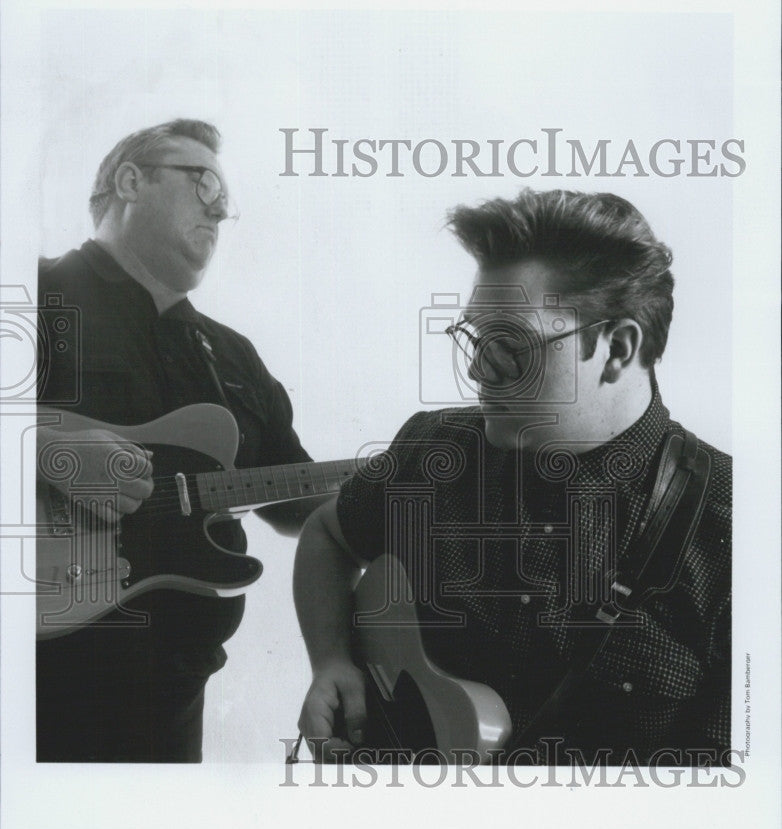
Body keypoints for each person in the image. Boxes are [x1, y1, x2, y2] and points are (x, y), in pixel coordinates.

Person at [294, 189, 731, 767]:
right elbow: (328, 534)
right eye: (476, 337)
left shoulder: (741, 531)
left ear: (617, 349)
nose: (477, 369)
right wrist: (330, 660)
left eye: (510, 344)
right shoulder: (433, 447)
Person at [37, 118, 323, 762]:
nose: (222, 210)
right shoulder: (34, 291)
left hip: (169, 694)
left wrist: (400, 483)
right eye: (204, 183)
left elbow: (295, 500)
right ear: (130, 181)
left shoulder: (231, 354)